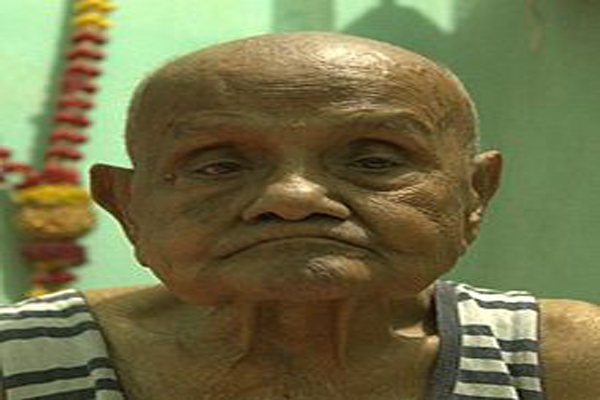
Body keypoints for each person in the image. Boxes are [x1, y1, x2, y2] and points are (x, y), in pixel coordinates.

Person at [1, 31, 599, 400]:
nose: (292, 197)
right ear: (127, 206)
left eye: (373, 160)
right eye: (220, 166)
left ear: (474, 194)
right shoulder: (19, 360)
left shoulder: (565, 363)